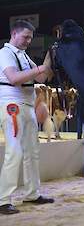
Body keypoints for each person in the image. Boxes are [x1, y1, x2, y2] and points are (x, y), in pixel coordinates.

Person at [0, 19, 54, 215]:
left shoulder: (22, 55)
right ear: (14, 34)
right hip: (11, 105)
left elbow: (41, 78)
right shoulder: (5, 53)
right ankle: (3, 199)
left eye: (30, 38)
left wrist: (50, 57)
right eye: (25, 37)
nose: (28, 41)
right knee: (14, 152)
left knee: (32, 151)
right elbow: (14, 78)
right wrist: (40, 68)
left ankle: (32, 193)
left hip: (28, 105)